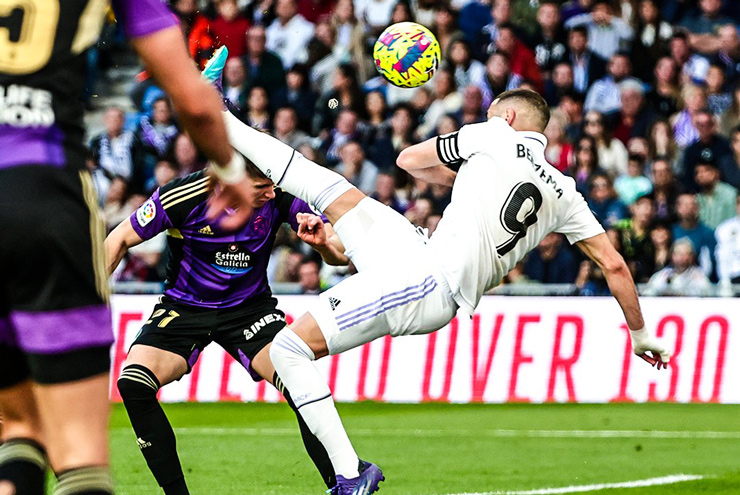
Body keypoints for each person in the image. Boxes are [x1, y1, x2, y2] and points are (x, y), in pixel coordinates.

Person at [210, 56, 671, 491]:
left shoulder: (492, 136)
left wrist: (468, 174)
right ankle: (222, 116)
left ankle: (351, 474)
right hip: (419, 256)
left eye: (494, 115)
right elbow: (613, 264)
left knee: (288, 351)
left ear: (506, 118)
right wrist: (640, 334)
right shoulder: (567, 193)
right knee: (322, 185)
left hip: (428, 281)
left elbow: (409, 159)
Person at [0, 7, 254, 495]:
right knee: (77, 455)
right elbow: (193, 100)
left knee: (16, 430)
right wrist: (229, 169)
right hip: (46, 199)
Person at [106, 159, 347, 494]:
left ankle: (342, 487)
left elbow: (340, 254)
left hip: (249, 310)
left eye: (272, 184)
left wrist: (322, 245)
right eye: (261, 187)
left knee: (302, 385)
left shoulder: (280, 195)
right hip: (185, 309)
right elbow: (118, 239)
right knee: (133, 383)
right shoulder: (182, 196)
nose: (271, 192)